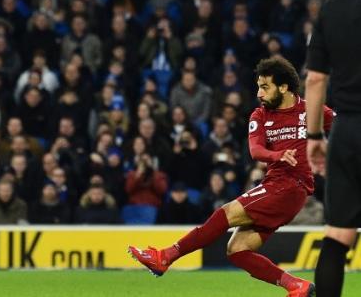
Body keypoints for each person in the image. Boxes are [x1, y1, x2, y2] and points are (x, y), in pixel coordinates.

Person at [128, 57, 334, 297]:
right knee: (237, 250)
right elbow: (255, 151)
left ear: (284, 87)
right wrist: (277, 155)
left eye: (265, 87)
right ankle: (297, 286)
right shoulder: (260, 116)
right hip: (276, 185)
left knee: (225, 212)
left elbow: (346, 129)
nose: (259, 93)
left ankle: (165, 257)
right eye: (258, 86)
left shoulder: (312, 110)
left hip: (291, 186)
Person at [306, 0, 361, 297]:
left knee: (338, 234)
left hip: (347, 131)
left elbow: (314, 80)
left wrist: (314, 135)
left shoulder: (334, 7)